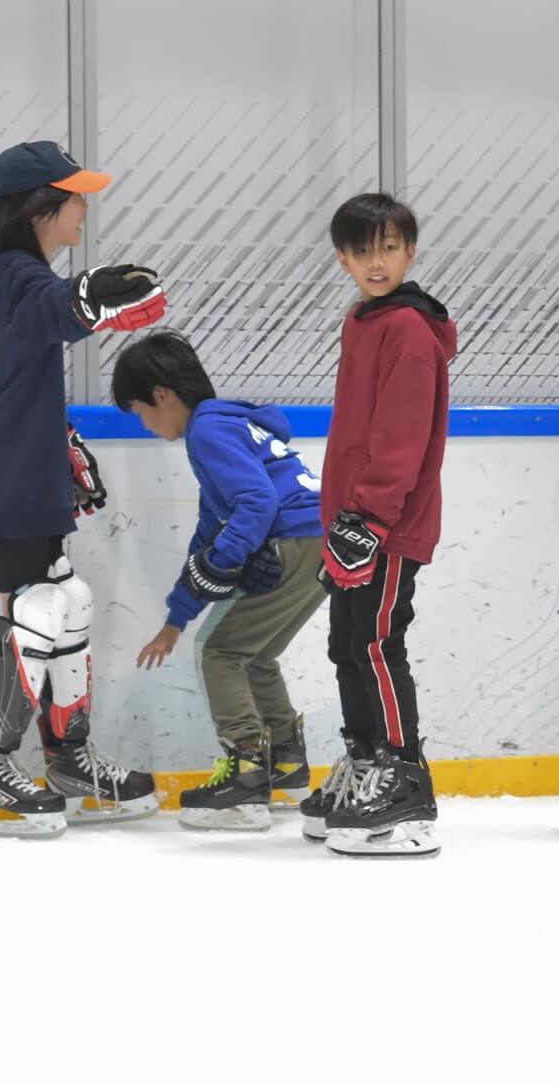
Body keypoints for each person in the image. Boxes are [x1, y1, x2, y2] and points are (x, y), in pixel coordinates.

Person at [0, 140, 167, 839]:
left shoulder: (4, 278)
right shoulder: (18, 279)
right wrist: (94, 293)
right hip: (7, 472)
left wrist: (61, 443)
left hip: (20, 463)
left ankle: (67, 759)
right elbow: (60, 307)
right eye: (74, 196)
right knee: (39, 608)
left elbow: (18, 370)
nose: (84, 207)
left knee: (66, 601)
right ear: (42, 205)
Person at [115, 331, 327, 832]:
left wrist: (227, 559)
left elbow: (257, 503)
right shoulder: (228, 424)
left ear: (162, 395)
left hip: (292, 543)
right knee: (255, 656)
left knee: (220, 652)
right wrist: (176, 616)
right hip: (321, 544)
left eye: (140, 412)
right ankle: (288, 768)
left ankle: (247, 775)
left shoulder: (207, 431)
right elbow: (210, 529)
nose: (145, 425)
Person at [300, 192, 457, 859]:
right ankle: (366, 761)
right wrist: (343, 518)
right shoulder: (364, 320)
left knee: (376, 644)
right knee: (346, 645)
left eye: (388, 247)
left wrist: (367, 518)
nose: (376, 260)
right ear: (343, 257)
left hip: (386, 526)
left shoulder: (408, 332)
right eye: (361, 250)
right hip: (353, 521)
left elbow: (400, 436)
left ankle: (405, 773)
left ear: (410, 251)